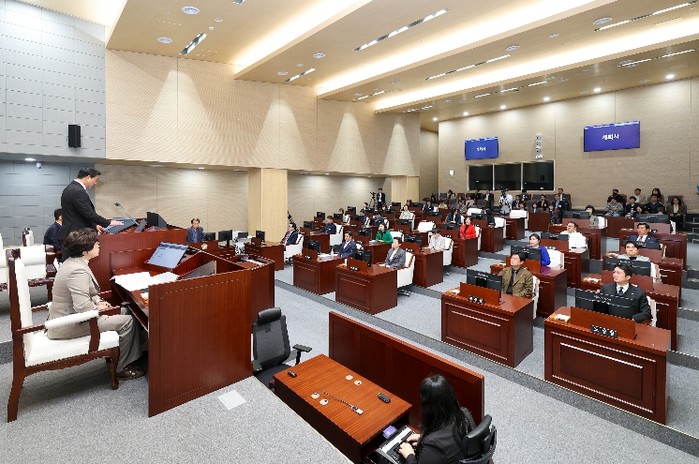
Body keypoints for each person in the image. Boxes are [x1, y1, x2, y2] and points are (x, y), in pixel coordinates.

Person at [47, 229, 145, 379]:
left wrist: (98, 301)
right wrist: (98, 307)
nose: (99, 245)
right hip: (69, 323)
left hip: (70, 316)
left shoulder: (73, 262)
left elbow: (85, 293)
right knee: (128, 321)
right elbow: (82, 307)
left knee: (127, 310)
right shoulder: (77, 271)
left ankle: (132, 352)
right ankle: (122, 368)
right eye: (95, 243)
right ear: (85, 251)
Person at [398, 374, 477, 464]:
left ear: (427, 407)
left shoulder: (434, 444)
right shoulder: (464, 413)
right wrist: (423, 438)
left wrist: (409, 455)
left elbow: (440, 443)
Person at [58, 167, 122, 241]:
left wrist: (95, 225)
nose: (95, 183)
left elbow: (80, 214)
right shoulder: (77, 191)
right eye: (96, 179)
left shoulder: (72, 188)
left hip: (73, 233)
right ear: (88, 178)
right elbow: (88, 213)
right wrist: (108, 222)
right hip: (76, 235)